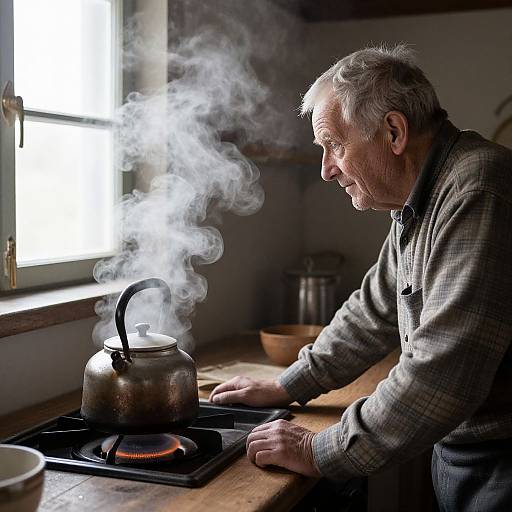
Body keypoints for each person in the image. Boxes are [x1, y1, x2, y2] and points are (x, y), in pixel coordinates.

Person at [209, 44, 512, 511]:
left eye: (334, 144)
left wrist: (320, 449)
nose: (328, 170)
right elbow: (375, 309)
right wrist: (290, 385)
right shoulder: (425, 195)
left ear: (393, 131)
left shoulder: (477, 188)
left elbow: (444, 373)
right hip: (470, 454)